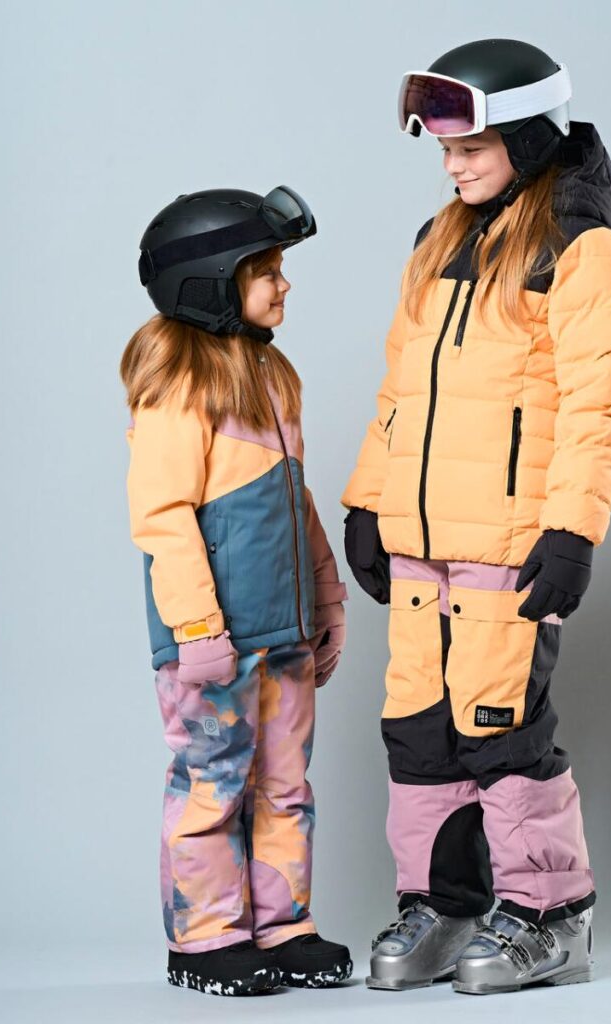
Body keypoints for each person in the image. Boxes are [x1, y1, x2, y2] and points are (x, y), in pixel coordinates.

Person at [342, 39, 611, 995]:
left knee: (500, 730)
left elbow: (596, 406)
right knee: (418, 732)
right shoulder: (436, 243)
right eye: (443, 151)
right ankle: (446, 904)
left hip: (508, 546)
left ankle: (551, 913)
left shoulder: (577, 247)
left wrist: (572, 533)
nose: (453, 165)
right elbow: (398, 392)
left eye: (472, 148)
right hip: (421, 545)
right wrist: (366, 500)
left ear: (523, 134)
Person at [122, 187, 351, 996]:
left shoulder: (273, 376)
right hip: (211, 640)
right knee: (212, 783)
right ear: (213, 282)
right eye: (267, 271)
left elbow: (298, 500)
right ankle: (206, 937)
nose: (283, 285)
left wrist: (326, 603)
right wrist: (195, 628)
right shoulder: (179, 387)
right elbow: (162, 517)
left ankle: (281, 925)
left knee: (287, 786)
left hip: (282, 632)